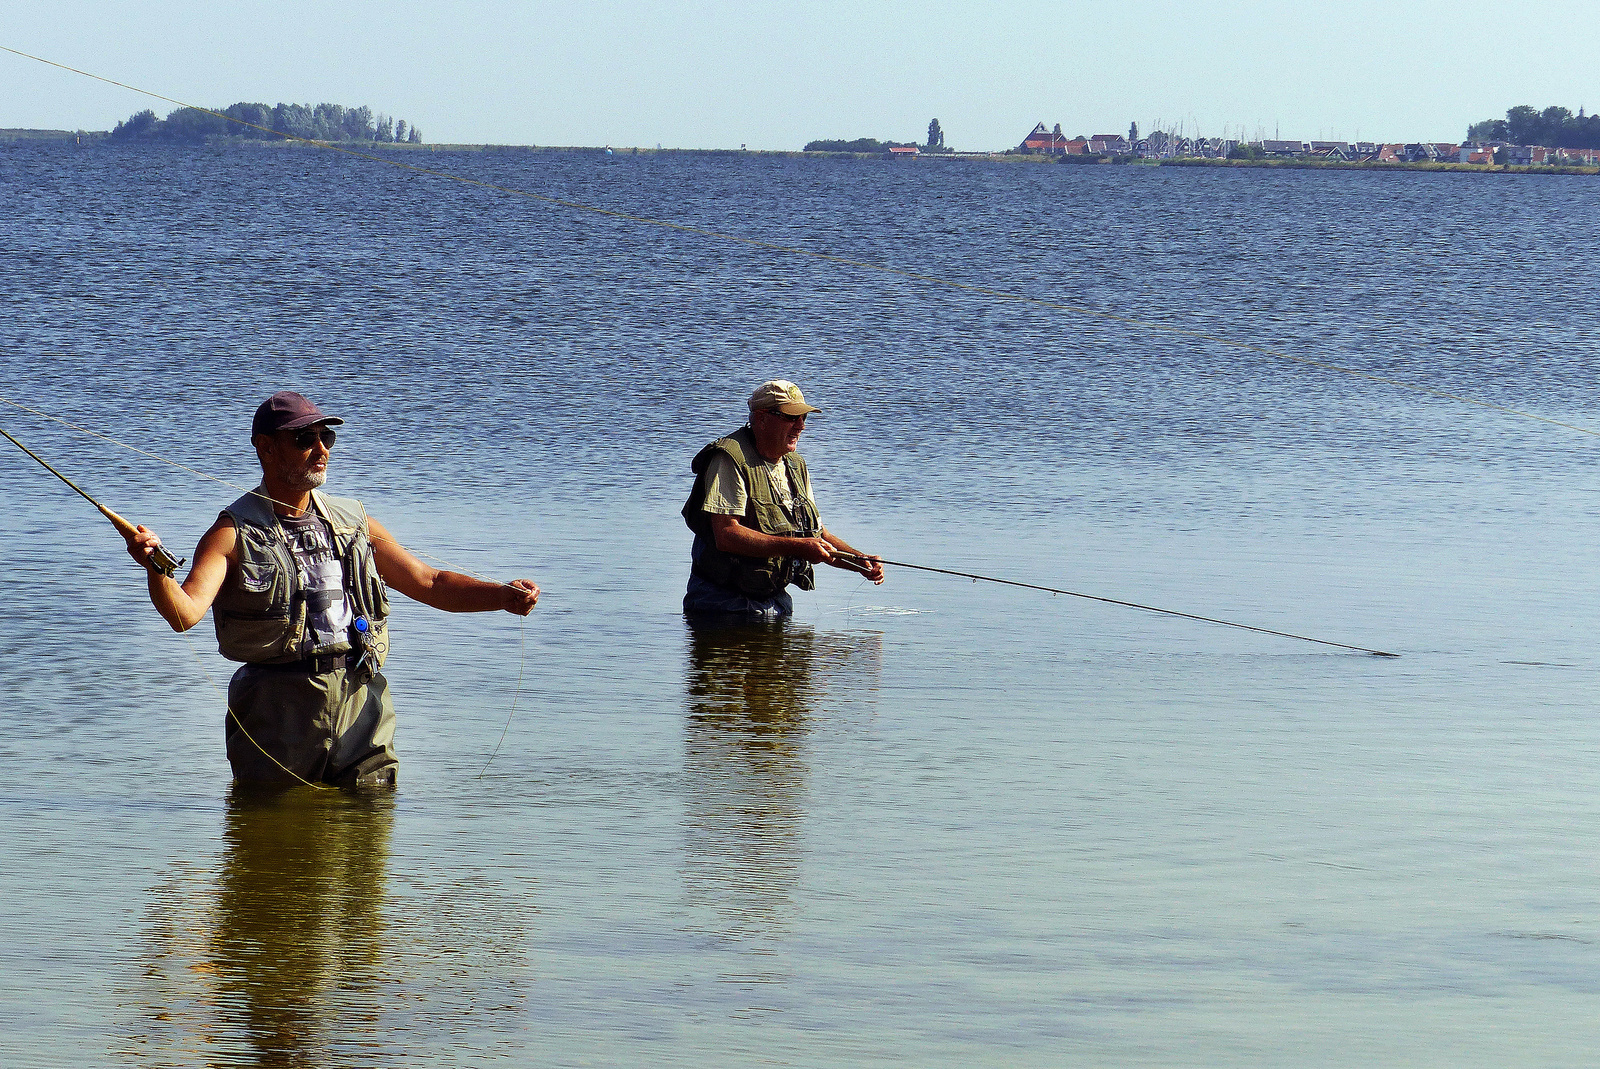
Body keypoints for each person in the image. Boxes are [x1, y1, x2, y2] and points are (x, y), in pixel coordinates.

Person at [124, 391, 540, 788]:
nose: (322, 449)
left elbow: (429, 583)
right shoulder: (229, 534)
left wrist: (501, 596)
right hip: (276, 706)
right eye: (306, 439)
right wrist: (155, 570)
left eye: (327, 436)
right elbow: (185, 613)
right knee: (274, 833)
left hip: (362, 696)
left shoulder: (354, 519)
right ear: (266, 448)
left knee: (370, 828)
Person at [681, 379, 884, 617]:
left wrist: (858, 561)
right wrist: (798, 547)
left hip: (776, 601)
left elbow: (816, 536)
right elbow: (726, 535)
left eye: (804, 418)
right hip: (721, 604)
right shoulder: (729, 458)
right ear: (762, 418)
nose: (801, 426)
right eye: (791, 417)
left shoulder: (796, 465)